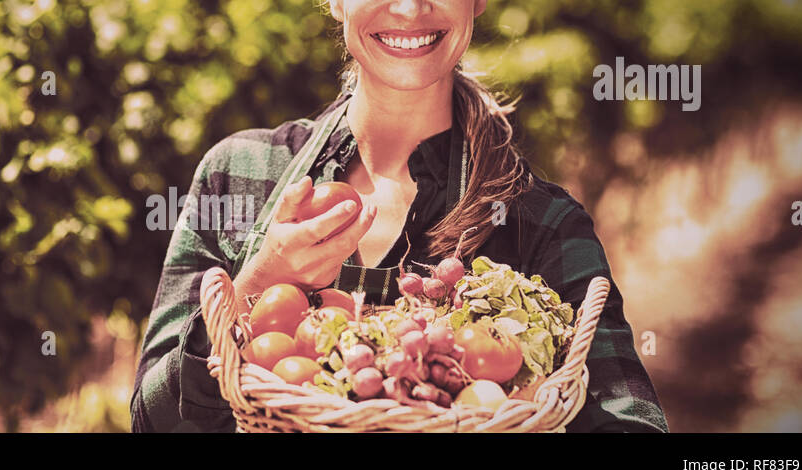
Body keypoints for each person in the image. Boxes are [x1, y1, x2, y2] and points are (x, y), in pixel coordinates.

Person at [131, 0, 669, 433]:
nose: (411, 9)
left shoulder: (541, 223)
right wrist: (260, 283)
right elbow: (152, 421)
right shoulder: (239, 175)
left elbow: (630, 421)